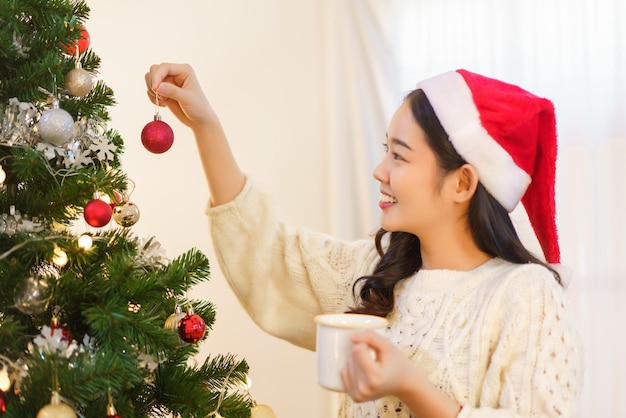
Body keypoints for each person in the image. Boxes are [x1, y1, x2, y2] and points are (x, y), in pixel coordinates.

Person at [145, 63, 583, 417]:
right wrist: (206, 126)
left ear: (462, 183)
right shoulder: (373, 275)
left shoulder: (526, 298)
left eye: (399, 155)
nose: (380, 170)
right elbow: (272, 256)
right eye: (384, 150)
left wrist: (409, 385)